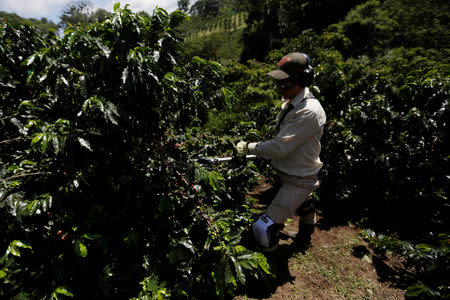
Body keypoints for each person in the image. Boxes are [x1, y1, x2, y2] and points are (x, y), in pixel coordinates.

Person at [236, 52, 326, 252]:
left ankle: (269, 255)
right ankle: (305, 237)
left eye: (286, 83)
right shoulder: (293, 102)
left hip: (300, 178)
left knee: (262, 227)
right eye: (280, 82)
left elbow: (278, 147)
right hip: (293, 172)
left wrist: (250, 147)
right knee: (303, 203)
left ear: (302, 80)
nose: (280, 88)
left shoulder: (308, 111)